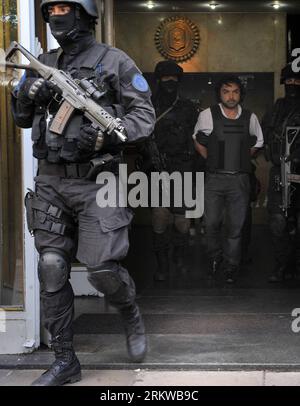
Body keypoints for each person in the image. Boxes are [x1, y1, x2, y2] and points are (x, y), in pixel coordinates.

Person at [11, 0, 155, 386]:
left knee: (103, 271)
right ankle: (64, 360)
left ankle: (128, 311)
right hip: (52, 180)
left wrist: (110, 131)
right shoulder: (43, 61)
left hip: (99, 181)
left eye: (64, 7)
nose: (57, 15)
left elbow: (144, 117)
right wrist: (27, 96)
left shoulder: (115, 61)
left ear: (85, 14)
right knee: (52, 266)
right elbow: (22, 118)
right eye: (51, 9)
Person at [193, 75, 263, 283]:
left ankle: (231, 266)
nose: (231, 96)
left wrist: (239, 158)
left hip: (239, 180)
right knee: (212, 223)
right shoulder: (208, 115)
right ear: (219, 94)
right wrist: (213, 159)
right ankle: (215, 258)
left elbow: (258, 142)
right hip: (214, 179)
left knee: (236, 227)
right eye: (226, 91)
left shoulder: (250, 117)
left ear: (241, 94)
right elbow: (197, 139)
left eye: (235, 91)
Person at [138, 60, 199, 281]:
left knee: (182, 221)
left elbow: (197, 138)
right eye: (166, 77)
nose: (170, 81)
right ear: (158, 80)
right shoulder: (147, 107)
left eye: (174, 77)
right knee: (160, 217)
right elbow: (138, 137)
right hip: (156, 168)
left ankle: (179, 257)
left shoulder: (188, 107)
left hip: (182, 167)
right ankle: (162, 265)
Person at [262, 63, 300, 282]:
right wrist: (272, 153)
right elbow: (265, 133)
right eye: (289, 81)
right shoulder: (276, 108)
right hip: (280, 172)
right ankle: (282, 264)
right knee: (278, 221)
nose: (293, 85)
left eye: (297, 80)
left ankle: (294, 264)